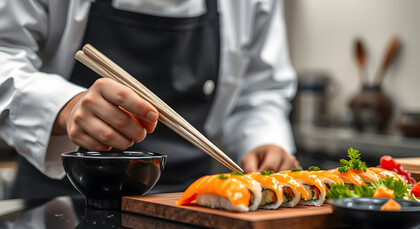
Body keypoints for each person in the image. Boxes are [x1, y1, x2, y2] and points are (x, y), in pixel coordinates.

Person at [0, 0, 300, 198]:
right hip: (56, 199)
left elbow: (259, 89)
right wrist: (64, 107)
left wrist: (264, 142)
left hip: (188, 201)